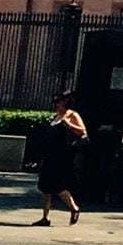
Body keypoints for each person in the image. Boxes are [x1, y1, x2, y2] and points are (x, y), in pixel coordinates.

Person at [35, 90, 86, 228]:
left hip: (61, 155)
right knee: (45, 186)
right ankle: (45, 217)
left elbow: (83, 131)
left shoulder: (72, 115)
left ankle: (73, 207)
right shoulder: (55, 116)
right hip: (50, 154)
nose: (56, 104)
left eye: (59, 101)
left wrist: (68, 125)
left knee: (57, 186)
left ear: (65, 102)